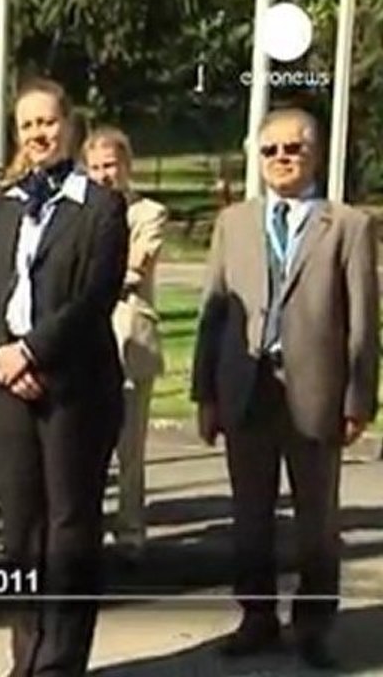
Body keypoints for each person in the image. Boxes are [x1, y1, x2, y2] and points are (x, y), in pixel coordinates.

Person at [191, 108, 379, 670]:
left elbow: (364, 325)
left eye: (292, 149)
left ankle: (314, 624)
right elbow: (211, 315)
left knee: (316, 521)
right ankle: (256, 616)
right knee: (249, 516)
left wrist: (358, 399)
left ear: (314, 154)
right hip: (245, 389)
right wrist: (205, 393)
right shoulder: (235, 224)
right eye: (270, 150)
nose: (280, 159)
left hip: (315, 392)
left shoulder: (347, 226)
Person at [0, 78, 128, 675]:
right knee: (20, 527)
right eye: (27, 125)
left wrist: (31, 351)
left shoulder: (101, 206)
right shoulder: (2, 202)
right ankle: (26, 653)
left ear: (69, 126)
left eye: (47, 122)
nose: (37, 134)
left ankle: (61, 660)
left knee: (68, 526)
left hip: (74, 389)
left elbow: (94, 298)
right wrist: (1, 355)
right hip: (5, 387)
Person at [84, 126, 167, 563]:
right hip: (85, 344)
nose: (103, 175)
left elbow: (136, 268)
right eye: (95, 167)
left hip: (129, 341)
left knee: (129, 448)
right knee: (85, 445)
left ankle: (131, 531)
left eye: (110, 166)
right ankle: (86, 530)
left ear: (127, 166)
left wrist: (87, 282)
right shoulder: (78, 213)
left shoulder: (148, 213)